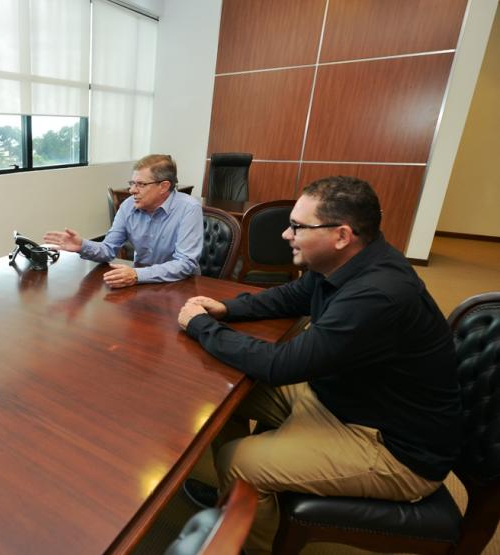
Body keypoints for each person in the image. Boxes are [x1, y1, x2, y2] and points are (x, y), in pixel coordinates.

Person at [176, 176, 461, 554]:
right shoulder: (350, 260)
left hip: (392, 445)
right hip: (345, 398)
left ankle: (250, 540)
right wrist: (228, 308)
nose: (285, 234)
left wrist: (201, 326)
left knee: (238, 461)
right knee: (222, 392)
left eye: (297, 226)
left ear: (341, 235)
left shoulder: (377, 295)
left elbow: (280, 365)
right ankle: (239, 503)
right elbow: (293, 295)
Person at [44, 154, 202, 289]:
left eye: (141, 184)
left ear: (163, 186)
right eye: (132, 183)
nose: (132, 190)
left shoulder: (189, 208)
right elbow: (108, 249)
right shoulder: (128, 206)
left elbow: (185, 263)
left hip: (179, 286)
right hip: (139, 283)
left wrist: (137, 274)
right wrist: (82, 245)